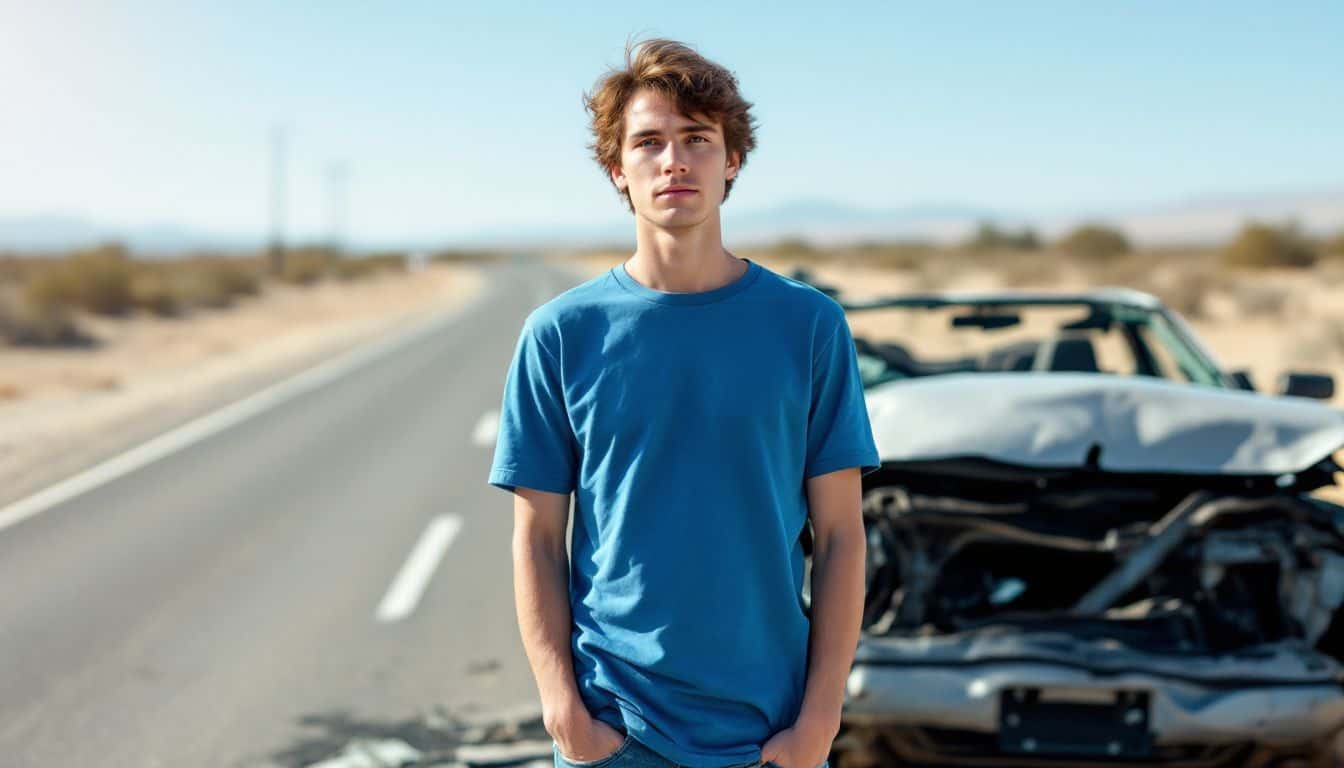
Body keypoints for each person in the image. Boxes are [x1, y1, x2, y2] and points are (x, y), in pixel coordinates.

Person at [488, 38, 879, 768]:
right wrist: (564, 711)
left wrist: (820, 722)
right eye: (649, 142)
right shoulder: (562, 334)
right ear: (617, 170)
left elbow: (842, 536)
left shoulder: (807, 325)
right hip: (615, 728)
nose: (675, 160)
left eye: (699, 139)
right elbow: (537, 537)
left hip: (770, 734)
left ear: (731, 161)